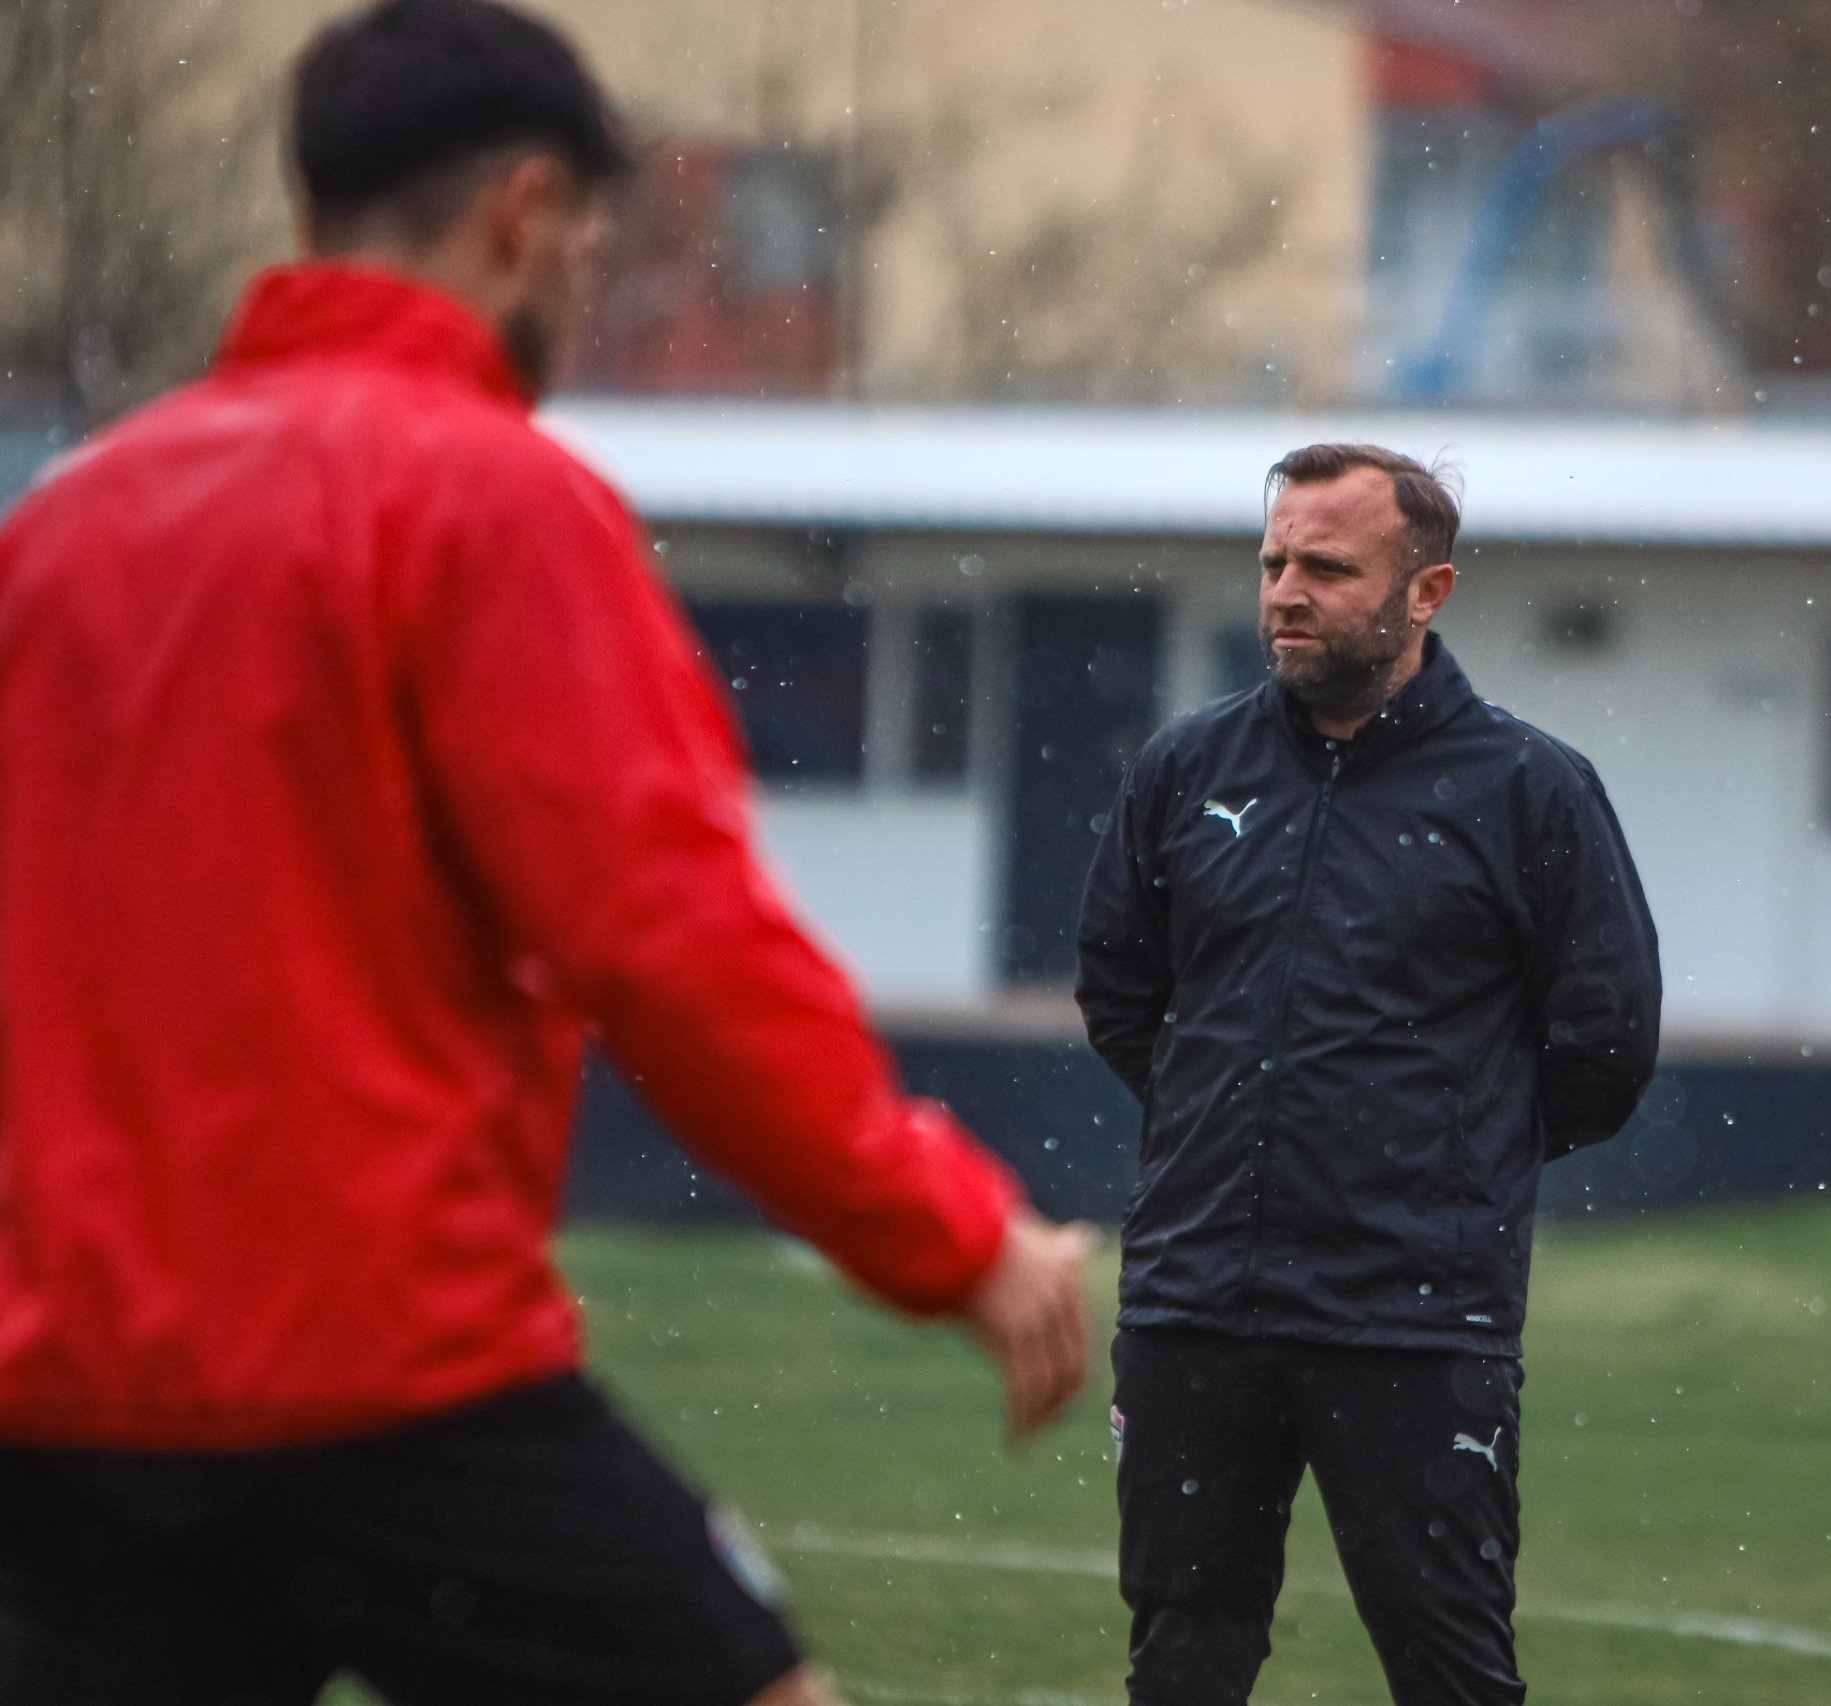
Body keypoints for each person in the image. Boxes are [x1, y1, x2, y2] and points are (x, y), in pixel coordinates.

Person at [0, 4, 1091, 1703]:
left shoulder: (68, 524)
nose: (583, 296)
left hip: (69, 1416)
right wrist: (953, 1235)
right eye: (589, 247)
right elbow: (671, 943)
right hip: (385, 1378)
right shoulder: (488, 499)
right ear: (523, 212)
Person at [1076, 443, 1662, 1705]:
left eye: (1329, 568)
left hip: (1412, 1315)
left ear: (1426, 591)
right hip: (1193, 1302)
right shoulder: (1187, 770)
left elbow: (1607, 1041)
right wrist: (1227, 1122)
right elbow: (1121, 995)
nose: (1286, 592)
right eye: (1274, 562)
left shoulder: (1531, 790)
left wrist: (1447, 1151)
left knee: (1450, 1668)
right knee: (1180, 1661)